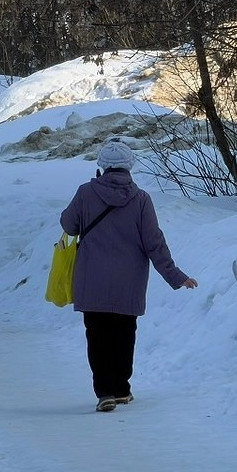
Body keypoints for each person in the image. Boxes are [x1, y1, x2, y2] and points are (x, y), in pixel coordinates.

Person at [60, 138, 198, 412]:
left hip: (93, 280)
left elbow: (69, 225)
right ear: (129, 167)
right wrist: (176, 276)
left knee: (97, 336)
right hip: (129, 282)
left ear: (103, 166)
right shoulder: (141, 200)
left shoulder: (85, 193)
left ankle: (105, 393)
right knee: (124, 334)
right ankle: (122, 389)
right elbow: (154, 243)